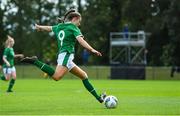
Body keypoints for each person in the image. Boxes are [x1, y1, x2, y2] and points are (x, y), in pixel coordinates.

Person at [21, 9, 106, 103]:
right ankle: (35, 61)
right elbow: (81, 41)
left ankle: (99, 98)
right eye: (79, 21)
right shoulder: (73, 27)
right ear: (75, 18)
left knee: (84, 76)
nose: (79, 24)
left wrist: (39, 27)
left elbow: (49, 28)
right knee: (56, 77)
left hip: (65, 56)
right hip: (67, 55)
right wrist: (92, 49)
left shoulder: (59, 26)